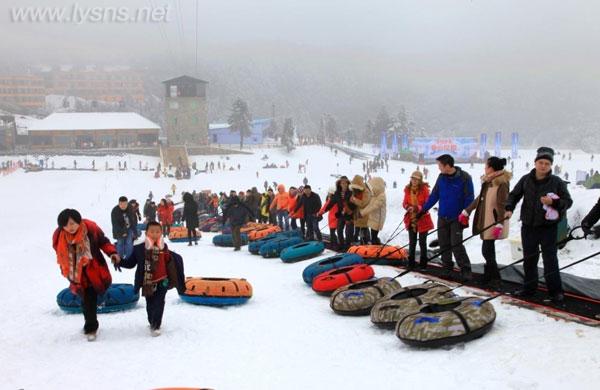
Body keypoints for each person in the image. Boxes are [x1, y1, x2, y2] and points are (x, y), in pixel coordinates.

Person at [505, 147, 573, 303]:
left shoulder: (557, 182)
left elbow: (568, 202)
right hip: (528, 226)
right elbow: (514, 195)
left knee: (550, 259)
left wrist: (554, 202)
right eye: (541, 162)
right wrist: (509, 208)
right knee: (529, 258)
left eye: (547, 163)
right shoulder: (525, 179)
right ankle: (529, 288)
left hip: (548, 227)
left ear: (551, 166)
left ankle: (555, 292)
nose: (543, 166)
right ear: (535, 163)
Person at [52, 209, 120, 341]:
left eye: (72, 223)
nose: (69, 227)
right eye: (65, 225)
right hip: (75, 273)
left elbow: (103, 241)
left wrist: (112, 253)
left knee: (90, 298)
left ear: (78, 221)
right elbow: (59, 252)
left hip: (93, 268)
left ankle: (91, 328)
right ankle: (90, 321)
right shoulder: (59, 236)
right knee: (86, 299)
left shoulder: (90, 228)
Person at [116, 221, 185, 336]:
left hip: (163, 280)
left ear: (161, 233)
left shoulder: (164, 247)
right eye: (152, 231)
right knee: (150, 303)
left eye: (157, 232)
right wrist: (120, 261)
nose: (155, 234)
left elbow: (169, 261)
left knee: (159, 302)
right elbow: (131, 263)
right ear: (146, 232)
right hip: (147, 282)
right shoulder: (139, 248)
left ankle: (156, 325)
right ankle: (152, 321)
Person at [420, 154, 475, 280]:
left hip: (457, 217)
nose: (438, 168)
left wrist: (466, 214)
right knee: (444, 244)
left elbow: (469, 198)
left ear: (447, 165)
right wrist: (423, 210)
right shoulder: (441, 177)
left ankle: (465, 269)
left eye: (440, 165)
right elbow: (434, 195)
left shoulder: (465, 177)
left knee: (456, 245)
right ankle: (447, 268)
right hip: (442, 216)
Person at [462, 157, 511, 288]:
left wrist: (500, 223)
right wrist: (467, 210)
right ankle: (489, 276)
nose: (484, 168)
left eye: (486, 166)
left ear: (491, 168)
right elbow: (480, 198)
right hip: (486, 218)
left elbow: (502, 204)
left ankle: (495, 278)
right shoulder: (489, 181)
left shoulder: (501, 183)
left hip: (493, 221)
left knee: (487, 250)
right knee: (488, 250)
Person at [403, 171, 434, 269]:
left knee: (422, 242)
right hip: (411, 219)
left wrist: (417, 208)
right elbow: (404, 203)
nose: (414, 181)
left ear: (420, 180)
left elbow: (427, 203)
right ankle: (411, 263)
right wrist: (408, 207)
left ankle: (423, 263)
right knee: (412, 242)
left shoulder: (424, 190)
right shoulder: (408, 190)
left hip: (422, 219)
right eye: (413, 178)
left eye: (416, 179)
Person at [321, 176, 353, 249]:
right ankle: (341, 245)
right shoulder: (337, 193)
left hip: (349, 215)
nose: (344, 185)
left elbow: (354, 204)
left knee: (348, 232)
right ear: (340, 184)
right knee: (339, 230)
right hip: (341, 215)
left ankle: (348, 246)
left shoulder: (351, 193)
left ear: (348, 184)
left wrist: (348, 208)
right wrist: (325, 210)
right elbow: (331, 203)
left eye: (345, 183)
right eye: (342, 183)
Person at [359, 177, 386, 245]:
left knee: (374, 236)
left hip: (378, 220)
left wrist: (362, 213)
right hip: (373, 218)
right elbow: (369, 205)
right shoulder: (374, 195)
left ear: (377, 186)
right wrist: (362, 212)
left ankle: (375, 248)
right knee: (373, 236)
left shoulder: (381, 196)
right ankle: (375, 245)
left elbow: (373, 206)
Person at [349, 175, 371, 244]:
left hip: (364, 215)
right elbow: (352, 202)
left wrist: (354, 200)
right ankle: (360, 245)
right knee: (358, 231)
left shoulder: (366, 192)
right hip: (357, 216)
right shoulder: (355, 192)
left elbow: (364, 203)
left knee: (364, 231)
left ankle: (367, 243)